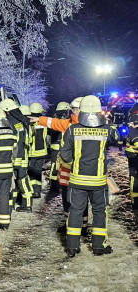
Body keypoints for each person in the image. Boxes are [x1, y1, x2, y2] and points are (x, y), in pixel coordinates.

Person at [60, 95, 119, 257]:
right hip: (98, 181)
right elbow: (117, 138)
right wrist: (108, 121)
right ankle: (99, 246)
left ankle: (72, 247)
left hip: (77, 180)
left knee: (75, 211)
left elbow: (64, 155)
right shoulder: (106, 129)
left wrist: (76, 164)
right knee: (100, 211)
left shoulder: (72, 129)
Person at [30, 97, 89, 235]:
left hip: (81, 169)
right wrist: (39, 120)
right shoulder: (69, 123)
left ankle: (83, 226)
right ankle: (69, 223)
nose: (73, 112)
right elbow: (54, 122)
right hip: (67, 169)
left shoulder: (88, 126)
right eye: (72, 110)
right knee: (67, 198)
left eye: (75, 109)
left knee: (80, 198)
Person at [0, 99, 33, 212]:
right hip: (23, 156)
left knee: (12, 181)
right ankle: (26, 203)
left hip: (13, 157)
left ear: (7, 111)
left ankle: (12, 204)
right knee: (22, 180)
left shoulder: (9, 123)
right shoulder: (21, 121)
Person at [48, 102, 71, 192]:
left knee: (55, 166)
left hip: (55, 147)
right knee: (60, 166)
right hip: (61, 147)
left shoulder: (53, 119)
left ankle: (55, 185)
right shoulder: (64, 120)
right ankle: (57, 185)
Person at [28, 103, 49, 198]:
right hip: (42, 152)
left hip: (31, 153)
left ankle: (32, 190)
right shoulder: (43, 123)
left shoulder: (28, 124)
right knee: (38, 172)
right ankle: (37, 191)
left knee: (31, 173)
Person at [125, 103, 138, 217]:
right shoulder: (134, 117)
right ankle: (136, 202)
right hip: (134, 153)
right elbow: (133, 134)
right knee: (135, 177)